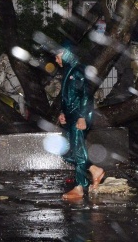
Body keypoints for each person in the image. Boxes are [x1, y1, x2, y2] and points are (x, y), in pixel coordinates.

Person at [55, 44, 104, 200]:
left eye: (58, 55)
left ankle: (80, 187)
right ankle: (94, 169)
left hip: (79, 117)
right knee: (67, 153)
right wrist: (63, 113)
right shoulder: (69, 72)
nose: (56, 60)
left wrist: (82, 117)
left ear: (67, 54)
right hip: (71, 117)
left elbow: (85, 95)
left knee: (78, 152)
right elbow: (69, 97)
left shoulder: (78, 70)